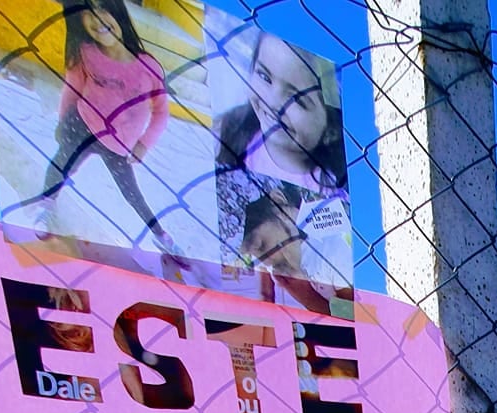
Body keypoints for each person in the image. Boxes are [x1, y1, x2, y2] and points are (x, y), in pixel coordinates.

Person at [27, 0, 179, 257]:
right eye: (88, 16)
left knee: (131, 192)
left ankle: (161, 236)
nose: (97, 21)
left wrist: (144, 143)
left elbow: (161, 112)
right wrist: (63, 123)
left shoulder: (149, 67)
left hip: (119, 143)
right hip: (82, 125)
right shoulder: (86, 53)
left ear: (118, 13)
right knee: (62, 165)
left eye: (102, 11)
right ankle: (45, 205)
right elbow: (72, 88)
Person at [214, 29, 347, 273]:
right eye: (265, 76)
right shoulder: (228, 133)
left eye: (298, 99)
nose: (273, 102)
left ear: (331, 131)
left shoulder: (332, 187)